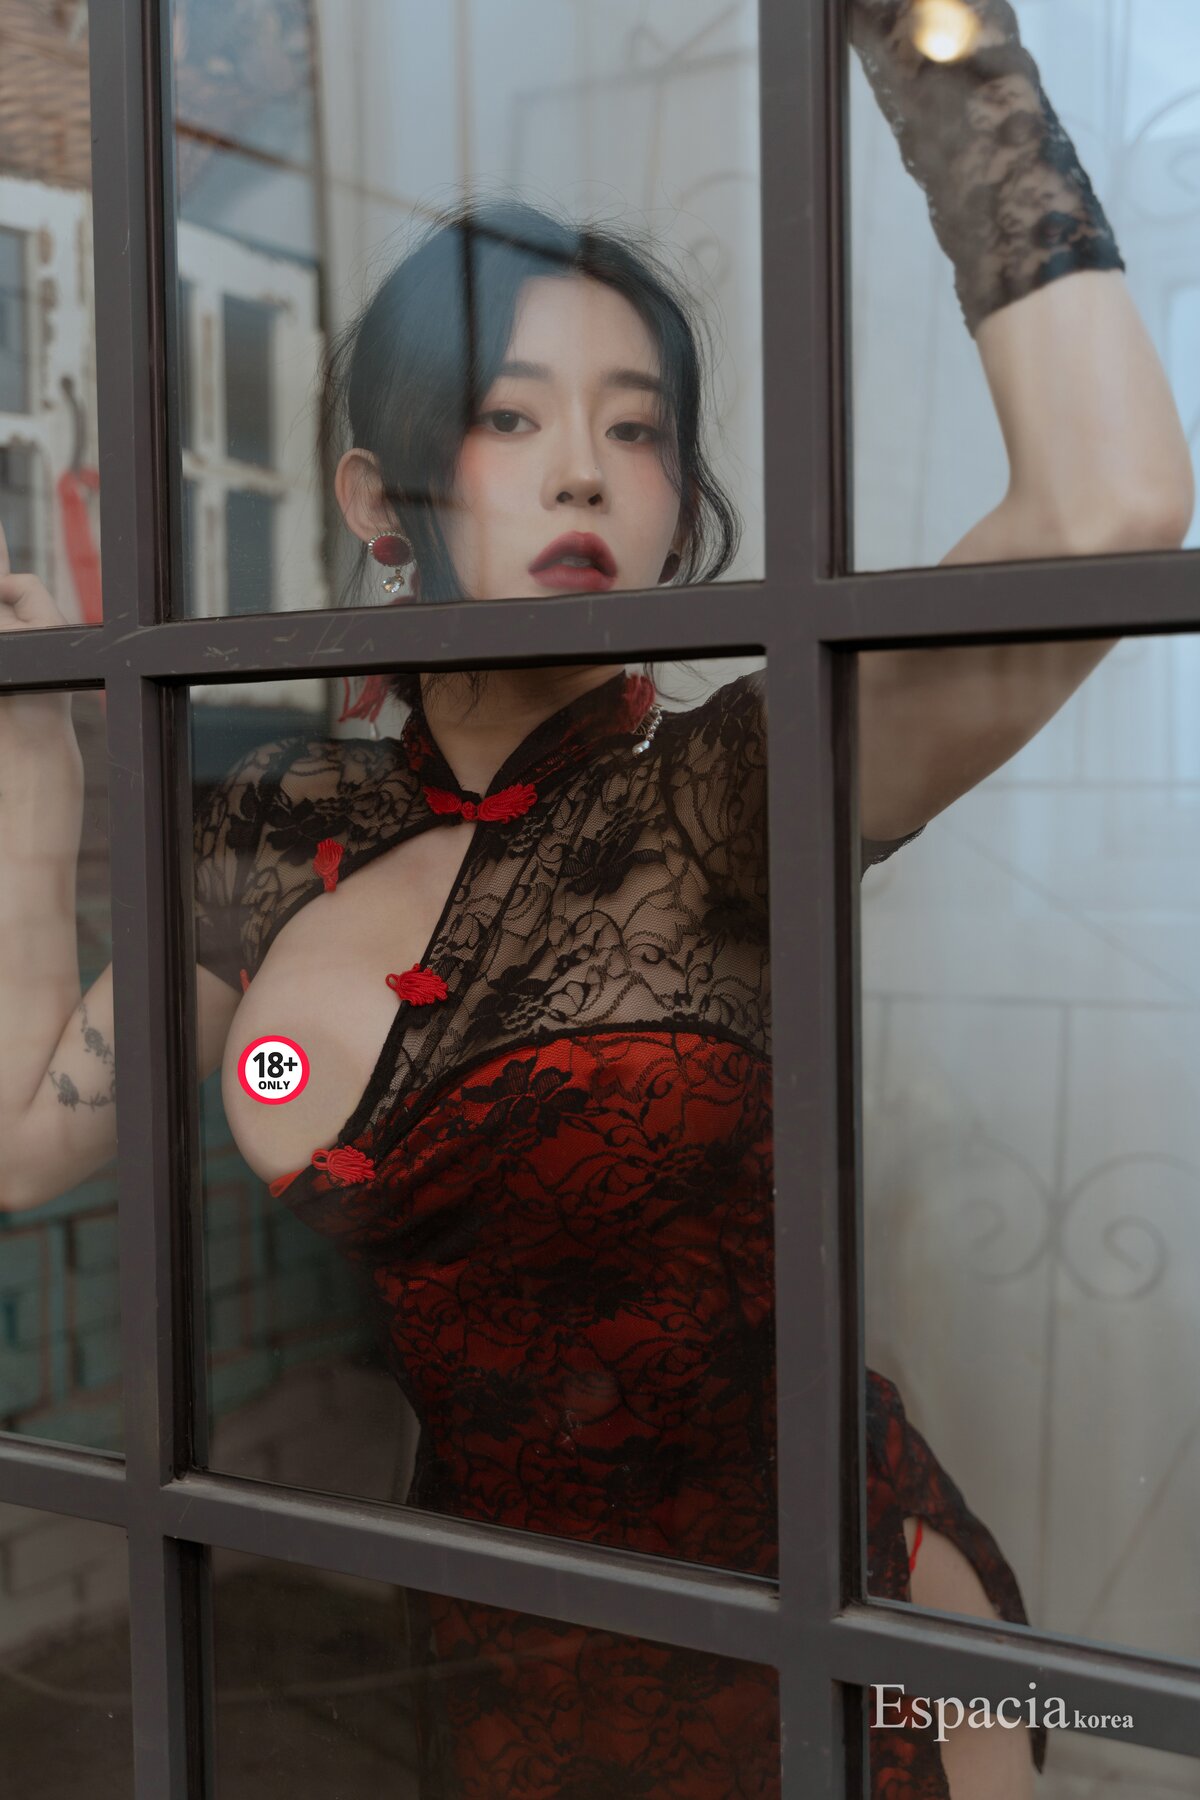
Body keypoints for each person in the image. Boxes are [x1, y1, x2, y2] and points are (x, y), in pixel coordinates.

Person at [0, 2, 1192, 1794]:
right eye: (510, 416)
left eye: (636, 432)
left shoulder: (725, 799)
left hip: (839, 1643)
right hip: (497, 1659)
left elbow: (1110, 512)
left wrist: (935, 47)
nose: (582, 468)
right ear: (379, 495)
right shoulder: (274, 831)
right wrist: (33, 785)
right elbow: (24, 1143)